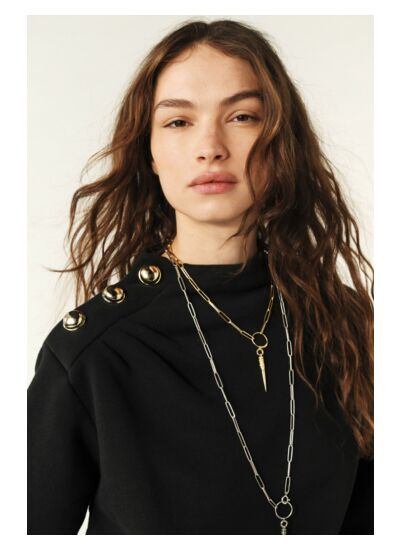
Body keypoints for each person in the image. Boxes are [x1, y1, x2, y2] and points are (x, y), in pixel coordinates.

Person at [27, 19, 374, 535]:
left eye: (242, 116)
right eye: (178, 122)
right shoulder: (94, 354)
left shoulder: (346, 326)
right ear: (149, 152)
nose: (210, 146)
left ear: (282, 141)